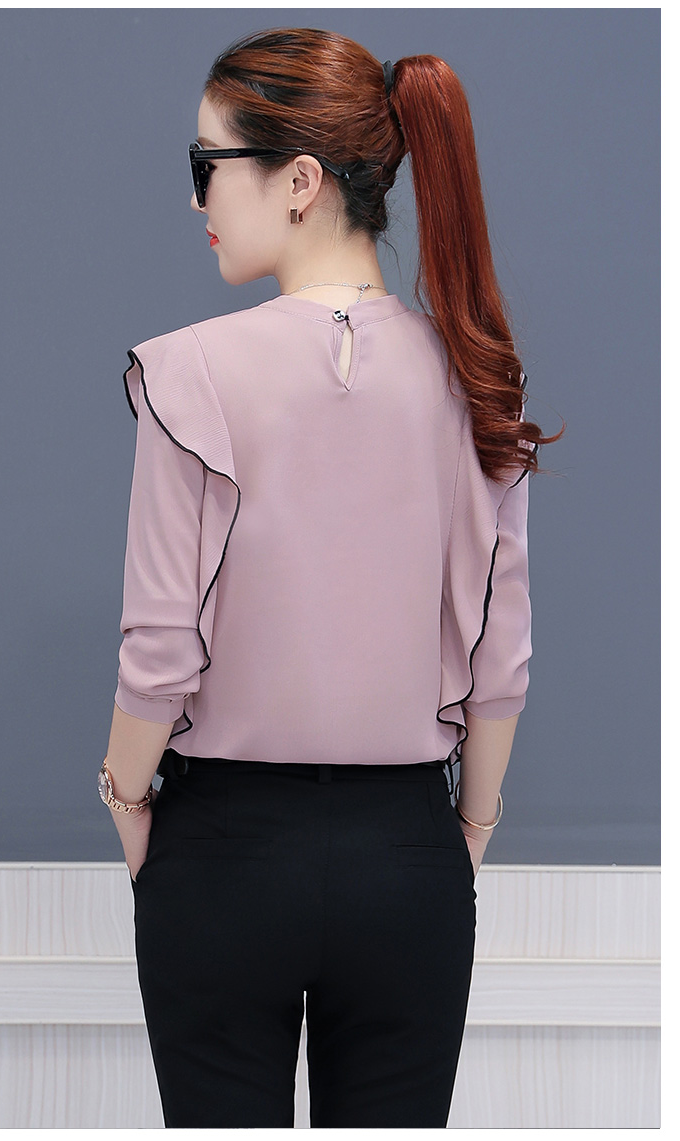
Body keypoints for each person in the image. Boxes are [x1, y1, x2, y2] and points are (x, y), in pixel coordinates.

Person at [97, 27, 562, 1129]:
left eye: (208, 163)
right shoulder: (477, 376)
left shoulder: (185, 372)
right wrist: (468, 832)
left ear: (300, 179)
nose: (197, 195)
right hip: (408, 858)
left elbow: (160, 645)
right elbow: (500, 658)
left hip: (221, 856)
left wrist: (127, 802)